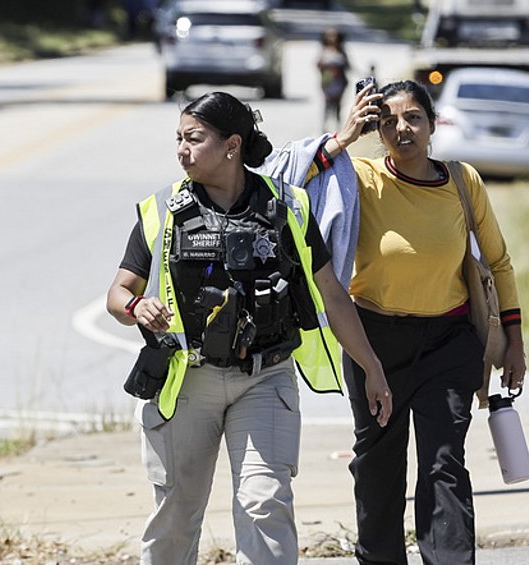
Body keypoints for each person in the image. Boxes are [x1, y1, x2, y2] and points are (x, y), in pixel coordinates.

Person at [106, 91, 392, 565]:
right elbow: (117, 293)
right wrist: (137, 306)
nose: (181, 149)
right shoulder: (161, 210)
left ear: (231, 145)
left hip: (265, 378)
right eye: (178, 138)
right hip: (187, 381)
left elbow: (333, 297)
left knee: (265, 503)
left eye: (193, 139)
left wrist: (372, 367)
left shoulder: (289, 207)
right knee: (176, 513)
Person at [315, 80, 529, 564]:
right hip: (374, 347)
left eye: (413, 117)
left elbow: (497, 263)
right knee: (377, 466)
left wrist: (514, 342)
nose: (401, 128)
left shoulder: (461, 181)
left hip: (448, 344)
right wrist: (345, 135)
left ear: (433, 125)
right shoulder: (360, 177)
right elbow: (290, 184)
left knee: (444, 461)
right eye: (387, 120)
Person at [316, 27, 350, 132]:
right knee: (327, 105)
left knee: (338, 107)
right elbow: (318, 65)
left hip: (339, 83)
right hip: (328, 83)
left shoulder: (341, 51)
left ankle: (338, 128)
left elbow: (348, 66)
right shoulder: (324, 50)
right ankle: (324, 127)